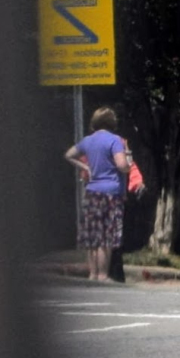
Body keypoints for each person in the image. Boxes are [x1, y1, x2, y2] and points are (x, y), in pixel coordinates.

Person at [66, 108, 133, 283]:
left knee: (92, 234)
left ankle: (92, 274)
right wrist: (128, 156)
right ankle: (103, 275)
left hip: (92, 192)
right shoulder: (115, 141)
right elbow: (122, 166)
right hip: (111, 193)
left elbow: (69, 155)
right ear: (112, 122)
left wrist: (85, 167)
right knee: (107, 236)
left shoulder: (88, 141)